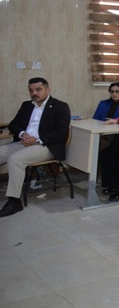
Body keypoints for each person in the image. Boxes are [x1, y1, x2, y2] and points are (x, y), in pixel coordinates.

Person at [0, 78, 70, 217]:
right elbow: (13, 124)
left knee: (15, 159)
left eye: (38, 89)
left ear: (47, 90)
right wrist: (22, 134)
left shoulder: (60, 106)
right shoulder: (27, 105)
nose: (34, 93)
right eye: (31, 90)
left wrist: (37, 139)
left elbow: (62, 132)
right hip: (24, 142)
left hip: (46, 146)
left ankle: (14, 202)